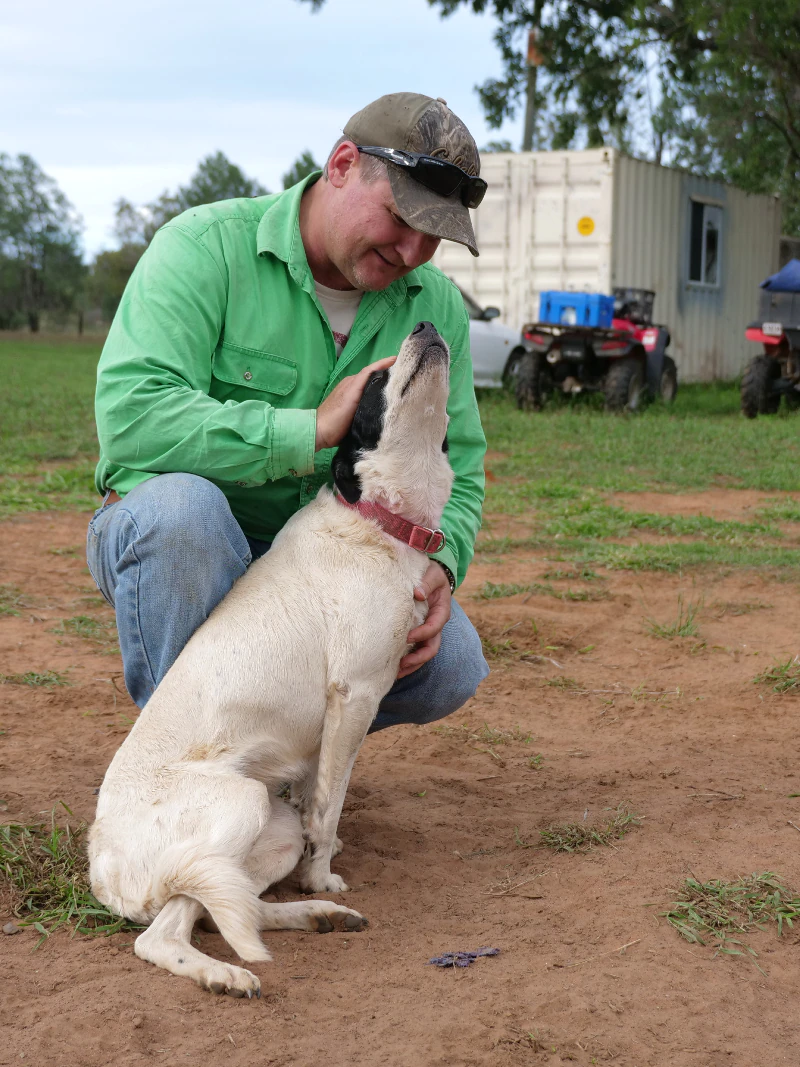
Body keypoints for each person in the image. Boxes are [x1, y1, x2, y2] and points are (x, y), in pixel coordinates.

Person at [86, 91, 489, 730]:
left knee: (453, 664)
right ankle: (180, 766)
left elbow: (457, 461)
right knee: (183, 517)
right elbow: (134, 416)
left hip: (325, 561)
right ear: (342, 163)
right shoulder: (205, 248)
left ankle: (283, 754)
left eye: (434, 236)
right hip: (195, 545)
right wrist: (309, 431)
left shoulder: (435, 306)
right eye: (399, 216)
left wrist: (441, 563)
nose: (412, 251)